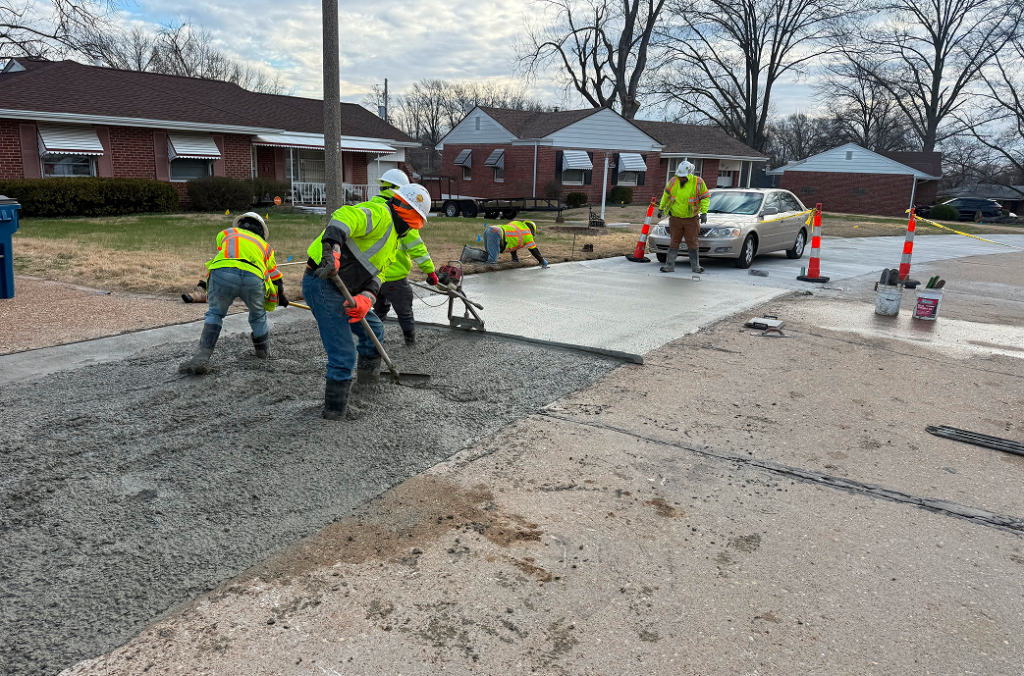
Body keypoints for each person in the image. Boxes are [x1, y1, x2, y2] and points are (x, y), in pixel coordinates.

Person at [303, 183, 432, 419]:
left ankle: (367, 386)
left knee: (375, 329)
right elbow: (343, 216)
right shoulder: (380, 214)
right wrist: (332, 251)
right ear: (405, 213)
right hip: (322, 281)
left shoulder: (394, 241)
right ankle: (334, 412)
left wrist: (366, 298)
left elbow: (379, 275)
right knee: (343, 355)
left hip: (350, 290)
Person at [179, 212, 286, 375]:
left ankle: (201, 358)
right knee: (258, 315)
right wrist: (282, 296)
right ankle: (263, 355)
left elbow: (223, 251)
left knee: (215, 313)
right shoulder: (266, 247)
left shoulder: (226, 233)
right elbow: (275, 275)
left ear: (241, 223)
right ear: (262, 231)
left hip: (223, 274)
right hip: (254, 278)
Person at [373, 216, 439, 345]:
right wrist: (430, 272)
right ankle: (410, 343)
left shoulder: (376, 215)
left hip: (373, 277)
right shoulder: (404, 220)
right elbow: (417, 249)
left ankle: (372, 339)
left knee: (379, 309)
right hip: (394, 277)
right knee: (404, 311)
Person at [658, 161, 710, 273]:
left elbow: (705, 198)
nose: (681, 179)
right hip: (675, 218)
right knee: (674, 241)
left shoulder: (698, 182)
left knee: (692, 242)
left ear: (689, 174)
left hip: (691, 219)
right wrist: (661, 208)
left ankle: (695, 266)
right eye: (680, 176)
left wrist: (704, 212)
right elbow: (666, 196)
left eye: (683, 177)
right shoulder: (673, 181)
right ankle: (669, 266)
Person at [482, 220, 548, 267]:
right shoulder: (527, 233)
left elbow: (513, 241)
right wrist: (541, 260)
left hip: (489, 230)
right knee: (492, 262)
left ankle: (472, 254)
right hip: (496, 234)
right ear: (532, 230)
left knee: (488, 255)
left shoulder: (517, 223)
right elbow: (533, 249)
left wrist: (514, 257)